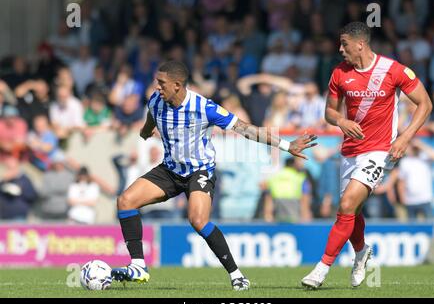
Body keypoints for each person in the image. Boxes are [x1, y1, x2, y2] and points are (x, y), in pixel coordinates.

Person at [111, 60, 317, 291]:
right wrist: (145, 131)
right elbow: (151, 119)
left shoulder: (204, 107)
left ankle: (236, 274)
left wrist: (288, 146)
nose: (156, 87)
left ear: (177, 85)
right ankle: (138, 265)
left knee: (198, 220)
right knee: (125, 201)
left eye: (161, 83)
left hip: (199, 170)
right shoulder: (156, 101)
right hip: (170, 169)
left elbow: (247, 129)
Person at [301, 22, 432, 289]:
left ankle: (321, 269)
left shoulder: (393, 70)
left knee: (347, 205)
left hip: (379, 151)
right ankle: (361, 253)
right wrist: (341, 121)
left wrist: (405, 137)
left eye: (344, 44)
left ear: (360, 44)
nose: (340, 49)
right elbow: (329, 111)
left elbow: (425, 103)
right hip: (350, 151)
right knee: (353, 211)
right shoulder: (339, 72)